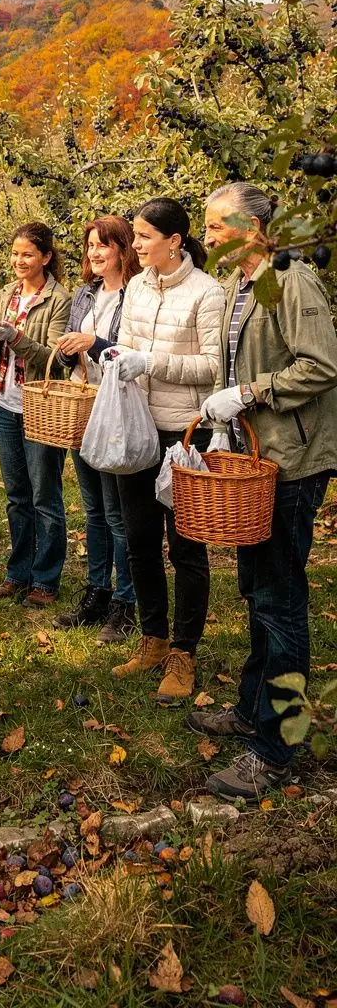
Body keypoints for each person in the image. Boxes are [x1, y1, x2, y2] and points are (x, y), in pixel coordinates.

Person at [184, 182, 337, 800]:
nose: (210, 235)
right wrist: (227, 417)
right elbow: (232, 369)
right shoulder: (237, 287)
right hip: (254, 459)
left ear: (253, 226)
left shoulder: (292, 280)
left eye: (217, 226)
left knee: (280, 601)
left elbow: (322, 364)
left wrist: (250, 394)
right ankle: (252, 710)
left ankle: (277, 748)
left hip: (294, 462)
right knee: (257, 591)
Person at [107, 197, 225, 704]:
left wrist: (148, 360)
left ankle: (184, 653)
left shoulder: (208, 293)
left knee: (185, 546)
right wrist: (120, 360)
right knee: (138, 537)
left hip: (184, 433)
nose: (135, 246)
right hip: (138, 427)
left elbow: (212, 368)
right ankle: (153, 640)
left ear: (174, 241)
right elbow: (130, 343)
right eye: (133, 236)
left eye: (144, 237)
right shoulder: (136, 286)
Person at [54, 215, 139, 642]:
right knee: (93, 509)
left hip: (117, 410)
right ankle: (97, 592)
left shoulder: (136, 294)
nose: (94, 253)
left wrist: (96, 344)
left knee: (116, 512)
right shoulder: (85, 295)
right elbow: (73, 350)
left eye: (103, 245)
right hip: (83, 405)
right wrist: (69, 351)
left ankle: (126, 602)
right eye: (90, 245)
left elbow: (136, 353)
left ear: (123, 249)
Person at [0, 222, 71, 607]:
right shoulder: (6, 293)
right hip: (4, 403)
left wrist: (14, 337)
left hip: (40, 406)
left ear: (46, 258)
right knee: (17, 494)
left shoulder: (58, 300)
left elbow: (55, 358)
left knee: (44, 495)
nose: (19, 260)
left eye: (28, 254)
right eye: (15, 253)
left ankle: (46, 579)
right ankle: (17, 572)